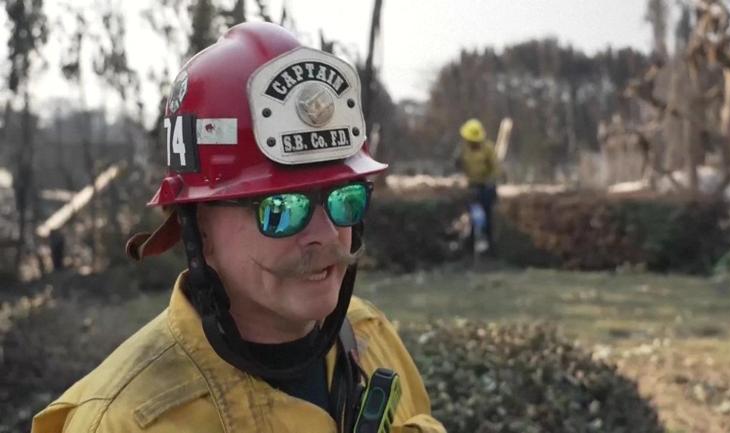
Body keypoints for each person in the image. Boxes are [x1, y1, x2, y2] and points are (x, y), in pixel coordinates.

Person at [32, 22, 445, 433]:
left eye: (345, 199)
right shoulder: (126, 423)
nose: (325, 234)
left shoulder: (374, 341)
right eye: (281, 208)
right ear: (199, 226)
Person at [456, 118, 500, 253]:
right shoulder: (464, 149)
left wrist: (490, 181)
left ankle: (489, 244)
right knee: (471, 215)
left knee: (487, 215)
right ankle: (470, 243)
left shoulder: (488, 148)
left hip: (486, 185)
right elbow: (459, 164)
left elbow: (495, 167)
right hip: (472, 185)